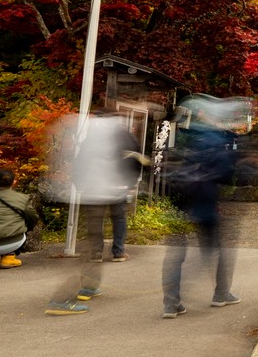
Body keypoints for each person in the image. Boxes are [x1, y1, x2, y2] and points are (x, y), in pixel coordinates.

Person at [43, 111, 146, 316]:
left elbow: (77, 163)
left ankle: (89, 286)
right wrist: (129, 185)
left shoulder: (90, 135)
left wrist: (80, 186)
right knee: (106, 231)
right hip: (114, 189)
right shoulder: (122, 133)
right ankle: (61, 298)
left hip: (91, 192)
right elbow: (136, 161)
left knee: (93, 237)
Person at [158, 108, 245, 318]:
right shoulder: (216, 140)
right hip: (205, 201)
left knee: (176, 253)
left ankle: (171, 303)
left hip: (179, 202)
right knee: (217, 250)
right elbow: (225, 173)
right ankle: (221, 293)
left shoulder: (180, 135)